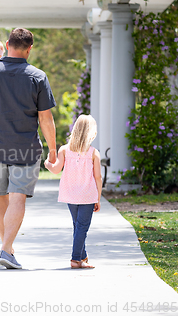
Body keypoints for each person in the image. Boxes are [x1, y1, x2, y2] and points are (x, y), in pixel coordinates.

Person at [0, 28, 57, 269]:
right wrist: (53, 149)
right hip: (26, 148)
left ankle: (7, 248)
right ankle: (6, 249)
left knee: (1, 200)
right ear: (29, 49)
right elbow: (45, 118)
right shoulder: (38, 76)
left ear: (7, 44)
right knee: (17, 198)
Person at [45, 115, 102, 269]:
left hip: (70, 194)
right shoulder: (93, 153)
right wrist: (98, 198)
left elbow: (56, 169)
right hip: (88, 195)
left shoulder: (64, 150)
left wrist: (47, 164)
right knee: (82, 227)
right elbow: (98, 177)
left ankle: (83, 257)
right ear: (91, 133)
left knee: (78, 226)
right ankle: (75, 259)